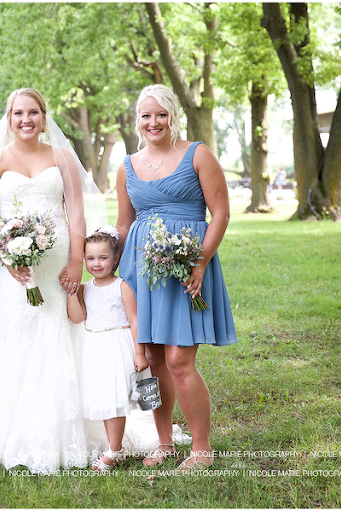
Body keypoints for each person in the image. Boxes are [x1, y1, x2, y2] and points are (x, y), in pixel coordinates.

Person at [0, 88, 107, 482]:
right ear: (9, 116)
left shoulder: (62, 158)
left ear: (44, 117)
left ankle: (66, 431)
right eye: (18, 113)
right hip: (10, 266)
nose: (26, 119)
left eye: (33, 112)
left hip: (56, 264)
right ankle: (4, 430)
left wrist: (75, 261)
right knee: (14, 335)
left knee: (59, 333)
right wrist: (9, 259)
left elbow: (77, 215)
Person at [115, 84, 238, 474]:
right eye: (146, 116)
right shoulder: (126, 166)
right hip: (140, 270)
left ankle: (201, 448)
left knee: (179, 360)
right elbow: (123, 223)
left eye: (161, 114)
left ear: (173, 116)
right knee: (149, 362)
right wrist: (106, 270)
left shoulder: (197, 154)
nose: (154, 122)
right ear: (138, 120)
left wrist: (200, 263)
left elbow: (219, 213)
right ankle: (163, 439)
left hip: (186, 268)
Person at [66, 227, 148, 473]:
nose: (96, 264)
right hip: (96, 347)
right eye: (90, 258)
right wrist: (71, 294)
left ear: (115, 259)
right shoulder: (85, 288)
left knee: (114, 400)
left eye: (103, 258)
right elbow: (78, 318)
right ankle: (117, 447)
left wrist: (140, 352)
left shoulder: (121, 286)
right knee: (104, 398)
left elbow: (135, 320)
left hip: (118, 345)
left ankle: (113, 450)